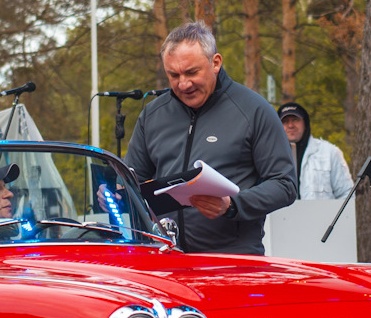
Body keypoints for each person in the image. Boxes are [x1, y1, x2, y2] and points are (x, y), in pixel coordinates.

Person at [124, 23, 297, 254]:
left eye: (191, 72)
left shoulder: (254, 110)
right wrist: (114, 191)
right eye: (173, 75)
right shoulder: (153, 114)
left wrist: (232, 205)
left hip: (232, 261)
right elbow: (133, 180)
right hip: (166, 259)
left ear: (215, 63)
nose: (183, 84)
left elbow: (284, 185)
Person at [277, 103, 352, 202]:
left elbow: (347, 194)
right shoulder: (270, 157)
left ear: (305, 123)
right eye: (285, 121)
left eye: (295, 120)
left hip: (325, 213)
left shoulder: (330, 153)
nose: (291, 125)